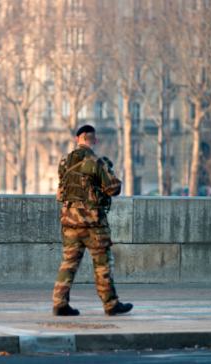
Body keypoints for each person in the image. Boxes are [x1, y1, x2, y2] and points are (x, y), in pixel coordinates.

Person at [53, 125, 133, 316]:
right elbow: (113, 189)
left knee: (68, 263)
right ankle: (110, 304)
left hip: (69, 221)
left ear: (77, 139)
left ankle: (59, 303)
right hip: (93, 223)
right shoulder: (97, 162)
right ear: (94, 141)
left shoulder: (64, 161)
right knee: (102, 263)